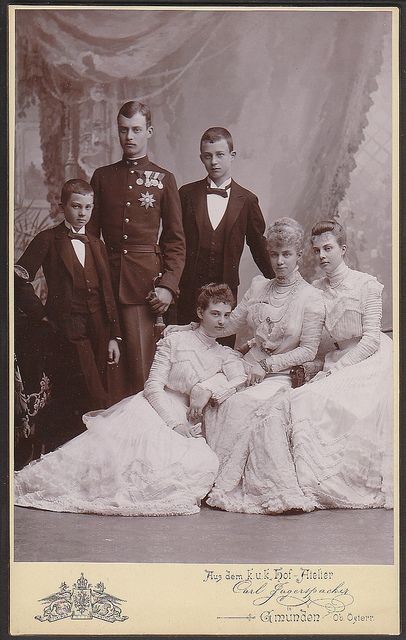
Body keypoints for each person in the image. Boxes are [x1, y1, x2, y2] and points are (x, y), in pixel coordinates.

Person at [14, 284, 248, 517]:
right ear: (200, 313)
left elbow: (239, 380)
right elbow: (153, 386)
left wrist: (206, 389)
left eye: (227, 315)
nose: (221, 321)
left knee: (199, 465)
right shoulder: (175, 341)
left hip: (187, 415)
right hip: (155, 408)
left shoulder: (224, 355)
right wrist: (173, 424)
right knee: (117, 463)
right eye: (215, 314)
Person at [167, 218, 325, 513]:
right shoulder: (258, 286)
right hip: (243, 368)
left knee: (245, 405)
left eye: (286, 254)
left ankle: (231, 484)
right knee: (214, 400)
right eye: (274, 253)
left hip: (278, 376)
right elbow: (229, 324)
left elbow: (309, 349)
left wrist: (268, 364)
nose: (279, 261)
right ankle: (201, 477)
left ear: (298, 255)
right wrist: (192, 327)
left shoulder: (311, 298)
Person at [241, 219, 393, 513]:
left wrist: (338, 369)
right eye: (317, 250)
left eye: (328, 248)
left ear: (343, 249)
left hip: (370, 359)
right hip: (334, 358)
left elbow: (372, 339)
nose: (322, 255)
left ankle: (332, 480)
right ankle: (306, 482)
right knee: (300, 401)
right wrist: (317, 365)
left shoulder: (366, 285)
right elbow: (318, 344)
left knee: (323, 401)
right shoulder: (314, 290)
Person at [87, 100, 185, 396]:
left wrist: (168, 286)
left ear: (149, 132)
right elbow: (90, 238)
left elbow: (176, 241)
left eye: (136, 130)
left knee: (142, 369)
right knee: (107, 369)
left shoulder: (164, 179)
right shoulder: (102, 177)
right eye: (123, 130)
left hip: (144, 287)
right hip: (105, 281)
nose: (129, 137)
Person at [16, 179, 121, 414]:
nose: (82, 213)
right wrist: (41, 314)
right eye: (76, 206)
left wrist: (115, 336)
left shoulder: (96, 244)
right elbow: (17, 277)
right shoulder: (48, 239)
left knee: (93, 386)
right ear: (62, 206)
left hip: (99, 326)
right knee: (93, 391)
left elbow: (108, 292)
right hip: (68, 325)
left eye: (88, 207)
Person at [177, 127, 273, 345]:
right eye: (208, 156)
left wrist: (282, 281)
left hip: (225, 298)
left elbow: (259, 247)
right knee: (183, 355)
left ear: (232, 156)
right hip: (189, 293)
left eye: (220, 155)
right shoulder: (186, 195)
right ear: (201, 157)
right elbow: (174, 243)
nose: (214, 162)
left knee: (220, 358)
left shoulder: (247, 200)